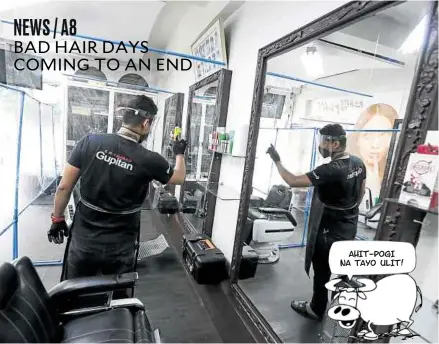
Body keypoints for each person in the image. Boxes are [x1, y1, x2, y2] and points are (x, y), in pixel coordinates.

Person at [48, 94, 187, 280]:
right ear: (146, 123)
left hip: (84, 239)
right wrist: (179, 153)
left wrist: (57, 219)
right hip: (121, 246)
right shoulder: (150, 159)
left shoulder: (89, 142)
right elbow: (178, 178)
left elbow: (64, 188)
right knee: (117, 297)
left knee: (71, 291)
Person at [266, 123, 366, 321]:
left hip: (329, 227)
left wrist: (277, 161)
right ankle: (345, 294)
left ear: (335, 143)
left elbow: (293, 181)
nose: (320, 146)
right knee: (342, 261)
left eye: (323, 141)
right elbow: (361, 192)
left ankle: (316, 309)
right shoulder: (358, 162)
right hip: (349, 223)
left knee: (321, 268)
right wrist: (346, 211)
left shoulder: (331, 169)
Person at [348, 103, 398, 204]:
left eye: (384, 135)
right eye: (367, 135)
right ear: (357, 139)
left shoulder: (394, 176)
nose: (375, 144)